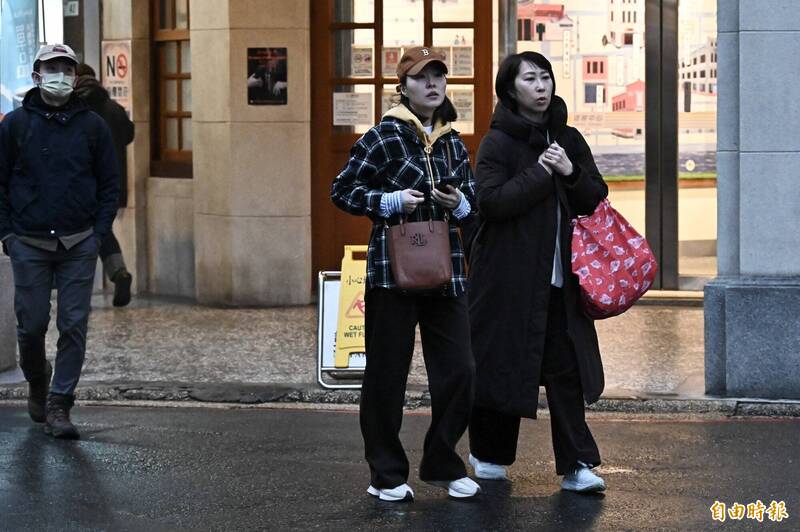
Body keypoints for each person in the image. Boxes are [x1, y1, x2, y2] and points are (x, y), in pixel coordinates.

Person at [331, 47, 480, 502]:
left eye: (438, 76)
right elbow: (343, 190)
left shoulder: (453, 140)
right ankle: (386, 474)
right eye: (421, 77)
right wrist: (387, 202)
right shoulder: (383, 136)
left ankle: (442, 462)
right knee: (386, 375)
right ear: (404, 86)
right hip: (390, 274)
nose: (432, 84)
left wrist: (462, 204)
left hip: (446, 273)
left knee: (460, 371)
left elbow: (473, 199)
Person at [466, 52, 609, 492]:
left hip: (560, 282)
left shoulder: (568, 138)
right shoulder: (497, 143)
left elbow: (595, 196)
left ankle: (577, 465)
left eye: (545, 77)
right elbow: (491, 202)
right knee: (502, 365)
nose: (541, 86)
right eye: (530, 79)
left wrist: (569, 170)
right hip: (506, 282)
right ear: (511, 90)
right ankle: (489, 454)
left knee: (567, 372)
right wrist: (542, 172)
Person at [0, 44, 120, 439]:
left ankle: (59, 403)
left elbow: (109, 184)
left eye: (67, 69)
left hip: (78, 241)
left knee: (74, 325)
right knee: (31, 325)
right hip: (28, 241)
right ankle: (38, 380)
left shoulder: (92, 126)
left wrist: (98, 234)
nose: (61, 76)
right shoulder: (15, 125)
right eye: (52, 68)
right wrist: (8, 234)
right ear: (37, 76)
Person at [74, 63, 135, 307]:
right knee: (101, 230)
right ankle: (119, 273)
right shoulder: (113, 108)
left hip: (83, 186)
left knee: (82, 237)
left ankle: (81, 291)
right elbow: (129, 135)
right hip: (112, 184)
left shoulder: (75, 109)